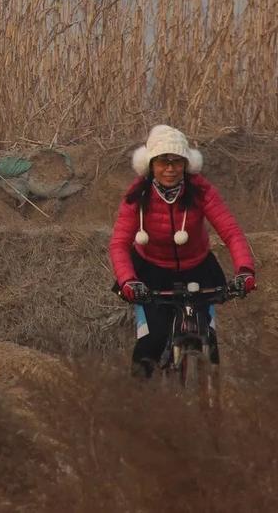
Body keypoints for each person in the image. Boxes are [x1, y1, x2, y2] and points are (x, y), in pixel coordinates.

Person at [109, 124, 257, 378]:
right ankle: (134, 405)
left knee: (208, 341)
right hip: (150, 273)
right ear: (150, 164)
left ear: (187, 164)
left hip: (198, 271)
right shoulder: (137, 195)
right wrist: (128, 281)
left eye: (177, 162)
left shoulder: (201, 191)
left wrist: (245, 270)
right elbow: (119, 243)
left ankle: (210, 401)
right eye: (163, 162)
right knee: (151, 342)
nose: (170, 169)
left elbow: (231, 232)